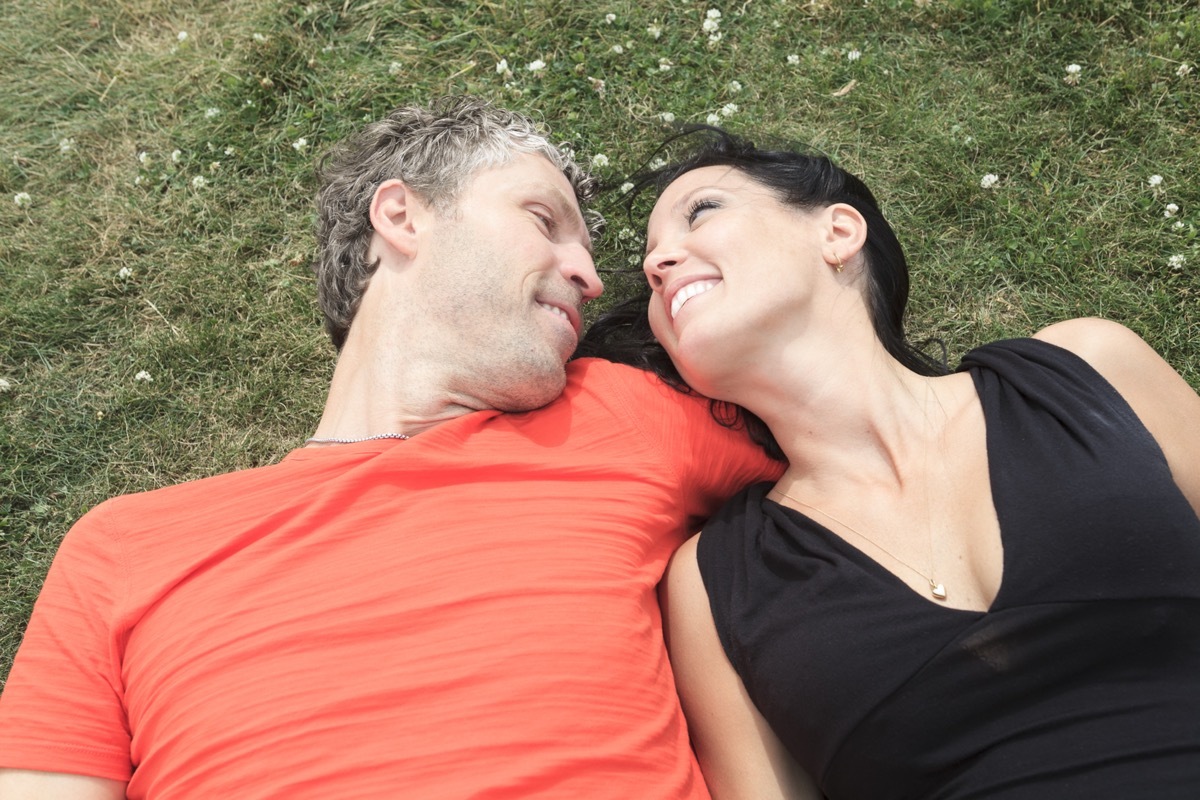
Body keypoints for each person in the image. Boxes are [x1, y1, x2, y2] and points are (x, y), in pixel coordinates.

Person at [0, 99, 782, 800]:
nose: (588, 276)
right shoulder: (121, 547)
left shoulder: (624, 416)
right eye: (545, 221)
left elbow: (883, 461)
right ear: (402, 217)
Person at [590, 127, 1200, 798]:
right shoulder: (714, 583)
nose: (658, 263)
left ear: (838, 232)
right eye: (650, 262)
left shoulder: (1084, 369)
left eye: (701, 212)